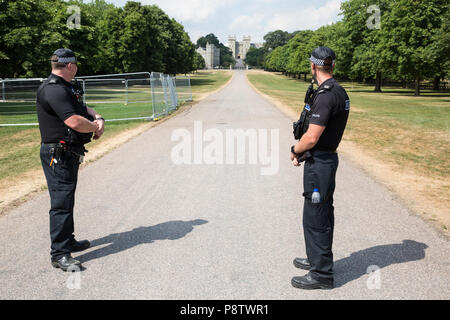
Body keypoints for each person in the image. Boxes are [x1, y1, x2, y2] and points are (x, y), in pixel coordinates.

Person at [36, 48, 105, 271]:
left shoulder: (65, 87)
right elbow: (74, 121)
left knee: (67, 200)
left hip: (68, 153)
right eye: (76, 64)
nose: (76, 68)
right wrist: (95, 127)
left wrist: (97, 116)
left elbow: (81, 108)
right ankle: (59, 253)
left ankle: (68, 240)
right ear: (69, 66)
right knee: (61, 203)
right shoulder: (53, 89)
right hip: (58, 154)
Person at [290, 46, 350, 289]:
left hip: (320, 163)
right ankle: (317, 259)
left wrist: (296, 151)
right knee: (320, 212)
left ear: (313, 66)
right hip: (324, 161)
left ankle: (321, 274)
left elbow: (312, 137)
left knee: (316, 216)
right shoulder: (338, 91)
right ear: (332, 66)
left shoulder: (325, 96)